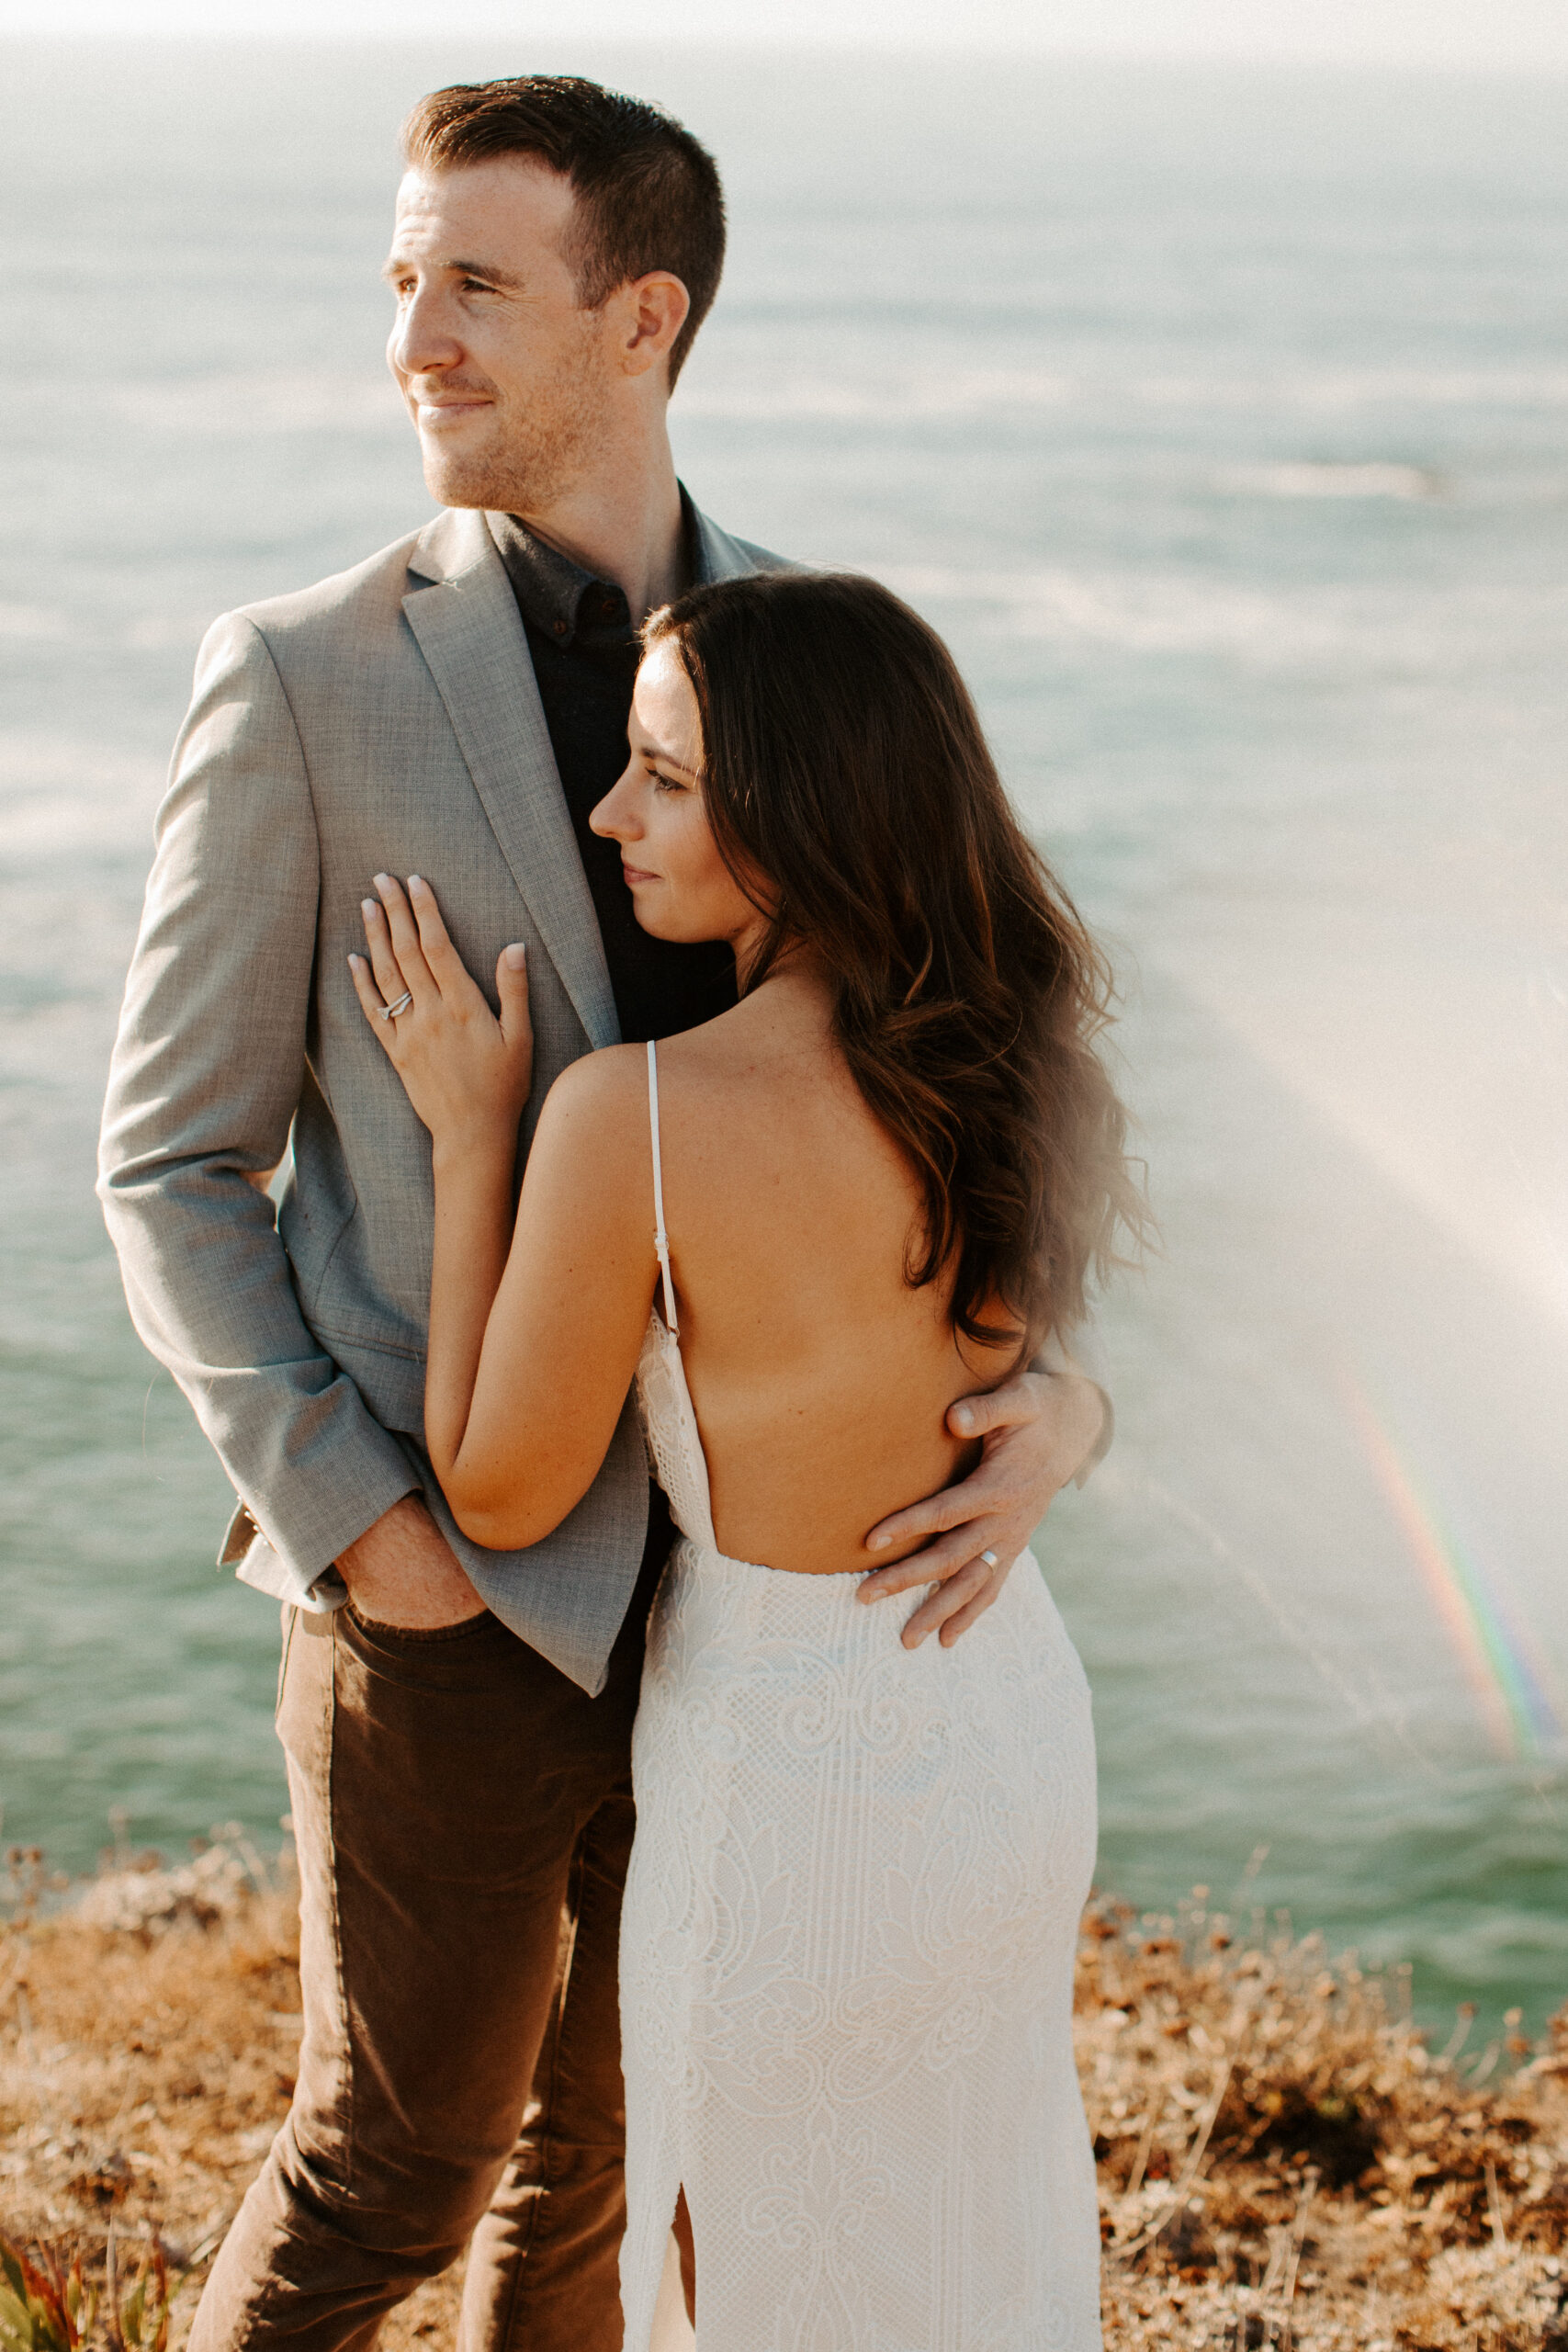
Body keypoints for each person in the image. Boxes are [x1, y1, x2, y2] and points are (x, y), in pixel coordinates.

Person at [97, 74, 1112, 2352]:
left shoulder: (814, 655)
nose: (413, 340)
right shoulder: (299, 676)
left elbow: (990, 1049)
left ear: (641, 317)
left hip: (755, 1614)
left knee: (622, 2168)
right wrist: (359, 1517)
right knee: (393, 2164)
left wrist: (1062, 1396)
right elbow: (166, 1157)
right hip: (445, 1587)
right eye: (398, 282)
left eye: (474, 283)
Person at [350, 570, 1139, 2350]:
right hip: (1002, 1724)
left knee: (756, 2273)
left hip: (793, 1777)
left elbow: (496, 1488)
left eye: (664, 776)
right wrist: (1078, 1422)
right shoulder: (1019, 1057)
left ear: (800, 809)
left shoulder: (629, 1114)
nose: (607, 810)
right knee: (971, 2222)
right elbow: (1035, 1379)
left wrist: (477, 1135)